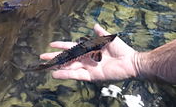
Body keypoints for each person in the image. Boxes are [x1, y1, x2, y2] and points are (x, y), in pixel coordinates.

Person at [40, 24, 176, 84]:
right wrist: (135, 63)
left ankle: (40, 67)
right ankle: (40, 67)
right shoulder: (98, 48)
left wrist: (135, 63)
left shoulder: (98, 47)